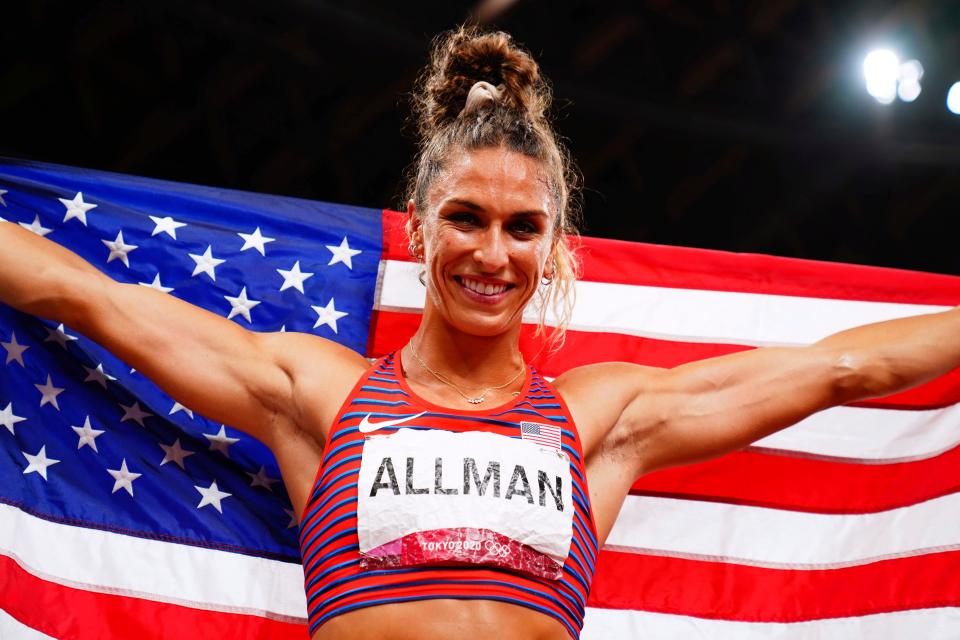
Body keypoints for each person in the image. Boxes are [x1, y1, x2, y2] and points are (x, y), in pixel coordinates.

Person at [1, 25, 958, 640]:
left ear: (553, 244)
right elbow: (86, 297)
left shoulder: (598, 419)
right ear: (420, 230)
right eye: (466, 218)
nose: (491, 254)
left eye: (522, 227)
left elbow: (847, 368)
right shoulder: (322, 397)